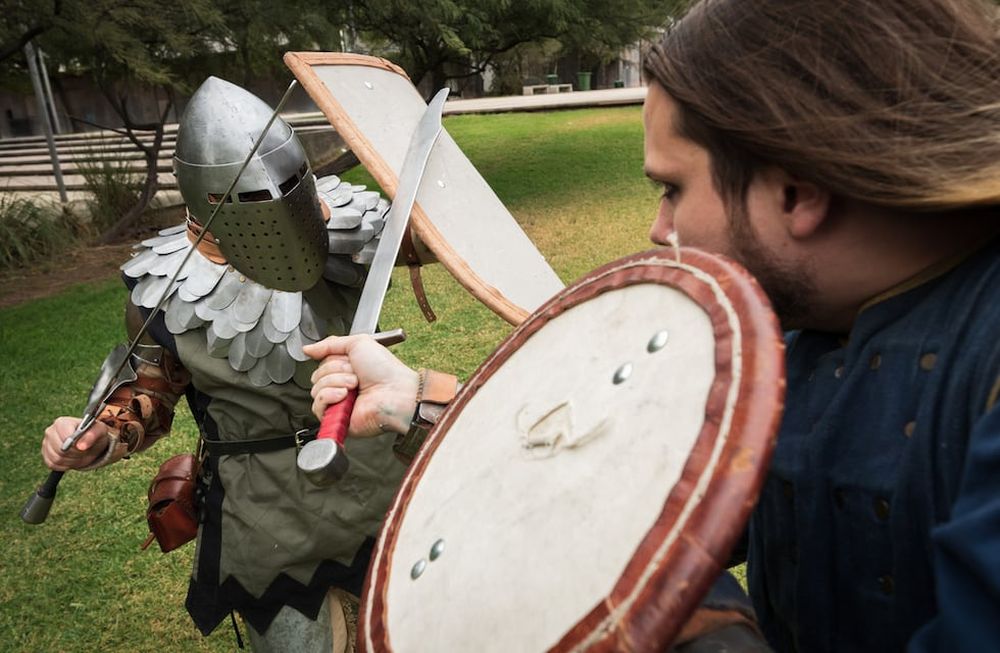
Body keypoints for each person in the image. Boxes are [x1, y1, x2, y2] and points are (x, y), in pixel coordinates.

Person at [307, 0, 1000, 651]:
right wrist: (416, 399)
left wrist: (677, 628)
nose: (658, 227)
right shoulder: (812, 321)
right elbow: (648, 475)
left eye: (673, 187)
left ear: (798, 189)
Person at [40, 77, 409, 652]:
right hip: (266, 512)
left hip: (379, 468)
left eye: (286, 187)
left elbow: (438, 235)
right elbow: (147, 397)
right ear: (203, 197)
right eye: (246, 198)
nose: (270, 206)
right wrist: (98, 436)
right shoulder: (163, 289)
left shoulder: (348, 224)